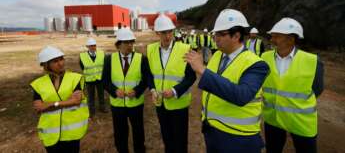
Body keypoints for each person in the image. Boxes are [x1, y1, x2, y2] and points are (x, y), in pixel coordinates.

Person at [184, 9, 269, 153]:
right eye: (215, 34)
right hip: (212, 132)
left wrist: (202, 70)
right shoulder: (217, 56)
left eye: (220, 34)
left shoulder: (256, 64)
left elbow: (241, 95)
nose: (215, 38)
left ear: (236, 36)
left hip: (239, 138)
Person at [262, 18, 324, 153]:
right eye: (272, 36)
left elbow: (317, 89)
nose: (272, 40)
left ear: (291, 39)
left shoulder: (312, 61)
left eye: (277, 36)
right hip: (273, 119)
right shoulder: (264, 58)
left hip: (301, 122)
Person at [147, 14, 196, 153]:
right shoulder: (151, 50)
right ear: (157, 33)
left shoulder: (185, 49)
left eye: (170, 32)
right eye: (163, 33)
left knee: (180, 141)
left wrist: (174, 91)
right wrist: (152, 90)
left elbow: (191, 77)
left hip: (179, 104)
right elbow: (150, 75)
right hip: (160, 104)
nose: (168, 36)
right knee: (167, 139)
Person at [31, 46, 89, 153]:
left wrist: (50, 104)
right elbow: (39, 108)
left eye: (61, 59)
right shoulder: (38, 84)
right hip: (50, 133)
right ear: (46, 65)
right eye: (55, 61)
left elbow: (76, 101)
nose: (61, 63)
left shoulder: (74, 78)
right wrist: (67, 102)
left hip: (71, 133)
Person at [103, 28, 149, 153]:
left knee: (138, 131)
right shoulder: (109, 59)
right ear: (118, 44)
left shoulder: (141, 59)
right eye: (126, 42)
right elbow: (105, 81)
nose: (130, 45)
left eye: (131, 42)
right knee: (120, 132)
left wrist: (137, 91)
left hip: (135, 104)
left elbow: (146, 80)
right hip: (117, 105)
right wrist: (114, 91)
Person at [79, 38, 106, 117]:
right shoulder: (82, 56)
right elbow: (82, 66)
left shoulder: (101, 54)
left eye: (94, 45)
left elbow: (104, 65)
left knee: (101, 94)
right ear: (87, 47)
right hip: (89, 80)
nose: (93, 47)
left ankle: (102, 107)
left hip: (99, 78)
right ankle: (92, 110)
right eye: (91, 46)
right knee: (91, 96)